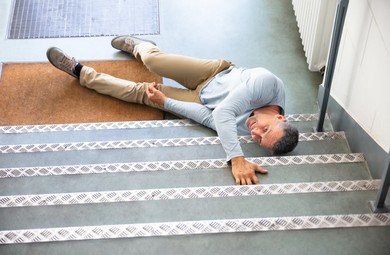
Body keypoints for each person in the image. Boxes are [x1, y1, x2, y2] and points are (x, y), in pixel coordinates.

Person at [46, 36, 299, 185]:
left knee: (141, 93)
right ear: (280, 117)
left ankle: (79, 72)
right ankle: (140, 46)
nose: (255, 133)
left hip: (201, 101)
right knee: (154, 61)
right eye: (266, 129)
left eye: (259, 140)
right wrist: (236, 158)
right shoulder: (267, 83)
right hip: (215, 73)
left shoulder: (248, 130)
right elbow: (223, 115)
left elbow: (209, 117)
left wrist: (165, 102)